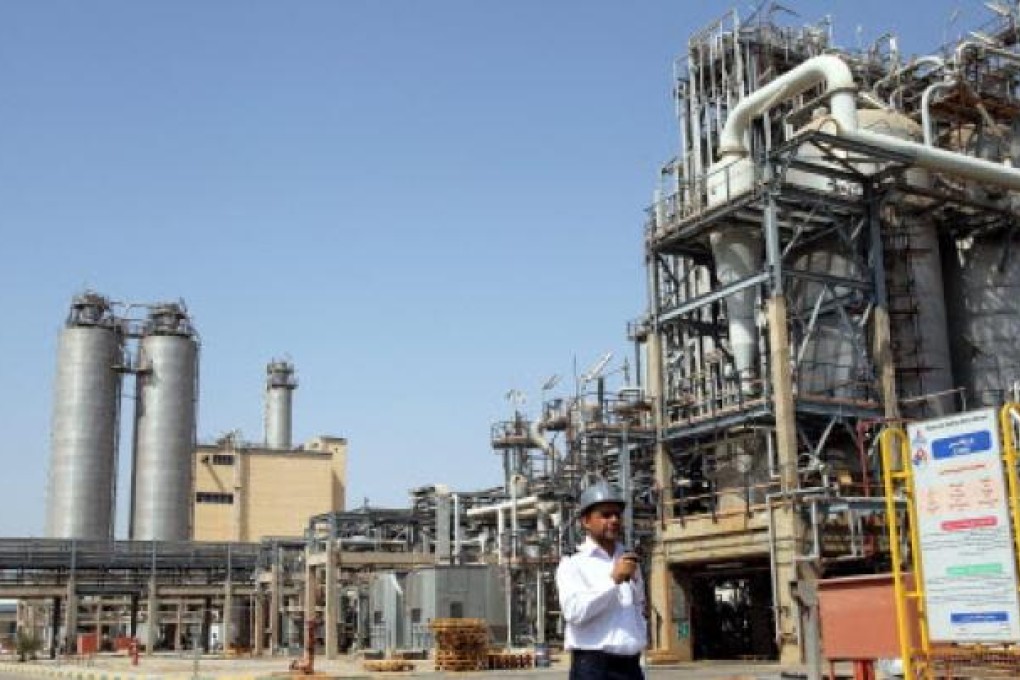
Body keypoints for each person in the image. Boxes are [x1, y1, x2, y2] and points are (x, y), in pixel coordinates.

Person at [556, 480, 647, 680]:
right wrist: (613, 580)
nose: (614, 520)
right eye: (605, 515)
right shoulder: (573, 563)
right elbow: (573, 612)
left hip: (631, 666)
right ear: (586, 521)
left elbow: (639, 607)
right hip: (594, 668)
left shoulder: (628, 559)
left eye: (617, 515)